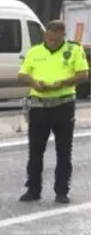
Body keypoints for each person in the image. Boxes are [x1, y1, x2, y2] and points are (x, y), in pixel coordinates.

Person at [18, 19, 88, 204]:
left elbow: (83, 74)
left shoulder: (73, 50)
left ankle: (62, 191)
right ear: (45, 35)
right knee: (35, 150)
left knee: (63, 151)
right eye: (49, 39)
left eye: (56, 40)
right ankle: (33, 190)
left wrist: (63, 83)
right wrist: (35, 83)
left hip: (63, 106)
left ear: (63, 36)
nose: (52, 42)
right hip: (39, 106)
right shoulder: (35, 51)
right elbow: (22, 74)